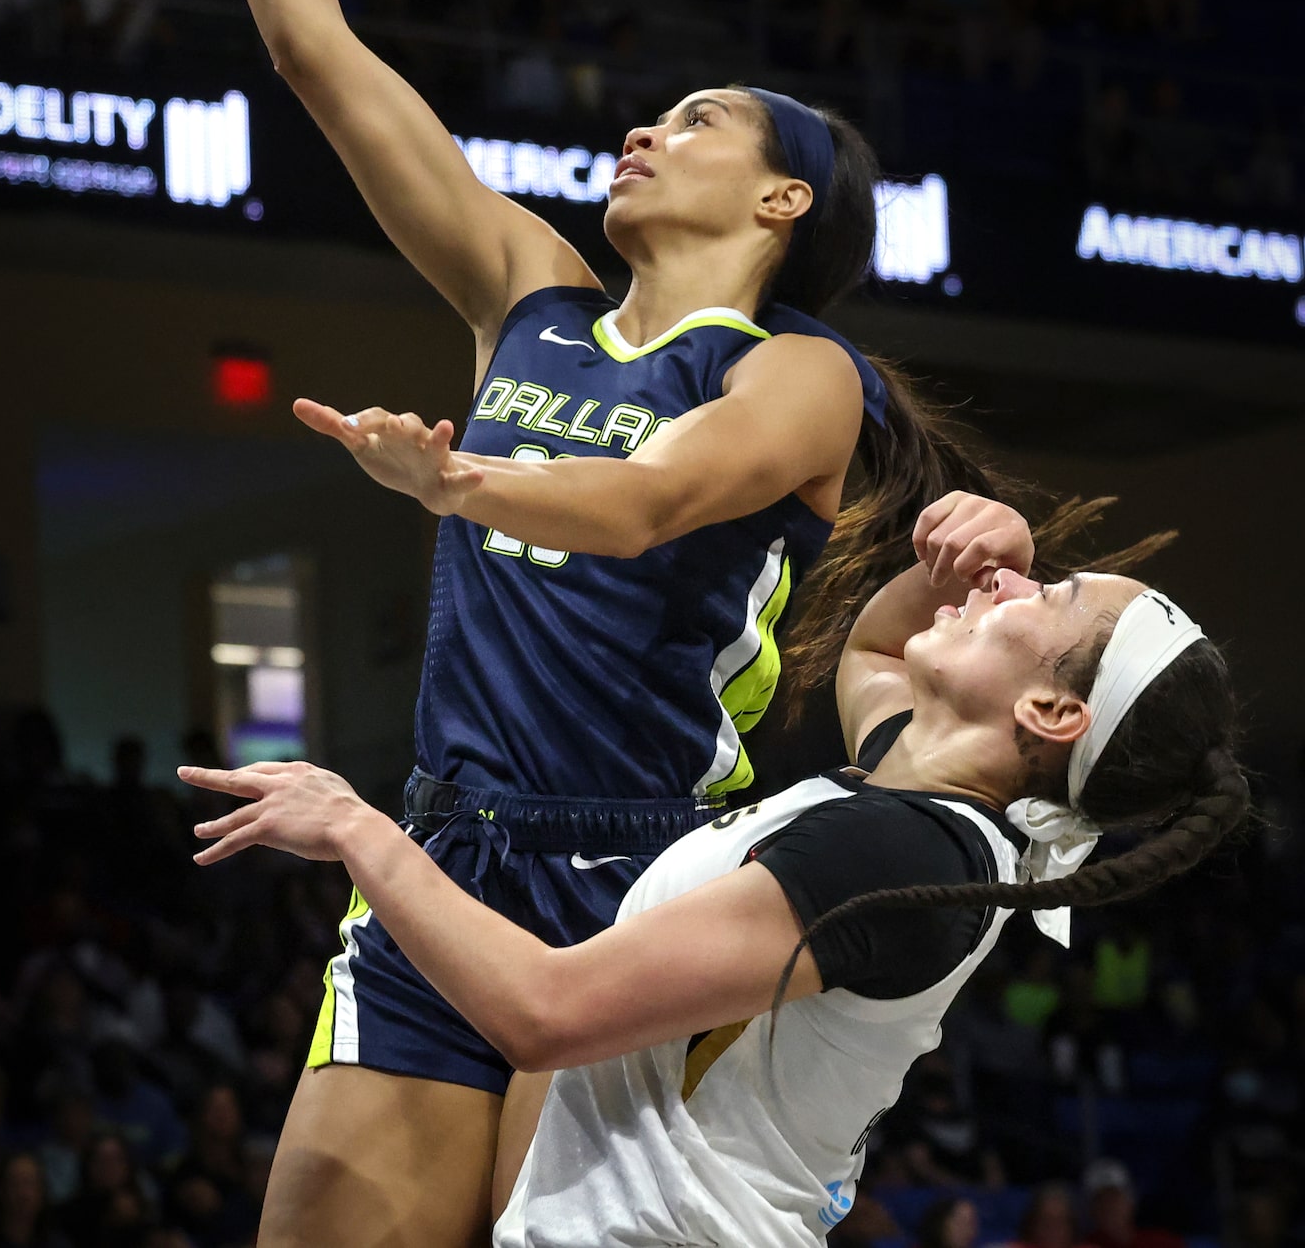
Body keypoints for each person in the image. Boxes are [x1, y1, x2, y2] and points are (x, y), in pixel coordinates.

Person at [131, 0, 1041, 1247]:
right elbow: (313, 47)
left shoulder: (799, 377)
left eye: (695, 119)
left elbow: (645, 501)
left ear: (784, 204)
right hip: (442, 851)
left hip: (641, 879)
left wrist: (456, 482)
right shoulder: (526, 297)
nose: (644, 128)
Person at [178, 489, 1247, 1248]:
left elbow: (546, 1013)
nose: (1013, 580)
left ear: (1050, 713)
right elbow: (875, 657)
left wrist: (358, 831)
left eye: (1044, 597)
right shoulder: (918, 802)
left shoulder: (885, 850)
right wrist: (962, 563)